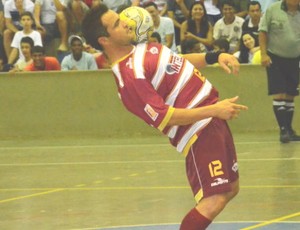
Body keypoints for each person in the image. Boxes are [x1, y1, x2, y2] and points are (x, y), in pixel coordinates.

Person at [82, 4, 248, 230]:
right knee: (214, 199)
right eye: (117, 24)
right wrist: (213, 110)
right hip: (200, 131)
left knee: (230, 188)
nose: (126, 23)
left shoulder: (140, 47)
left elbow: (174, 60)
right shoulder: (129, 78)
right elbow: (165, 117)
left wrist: (214, 56)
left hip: (213, 121)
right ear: (104, 40)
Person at [259, 0, 300, 143]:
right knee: (279, 92)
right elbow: (263, 32)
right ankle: (283, 129)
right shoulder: (273, 10)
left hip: (295, 58)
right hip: (275, 57)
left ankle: (289, 129)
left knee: (290, 94)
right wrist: (263, 54)